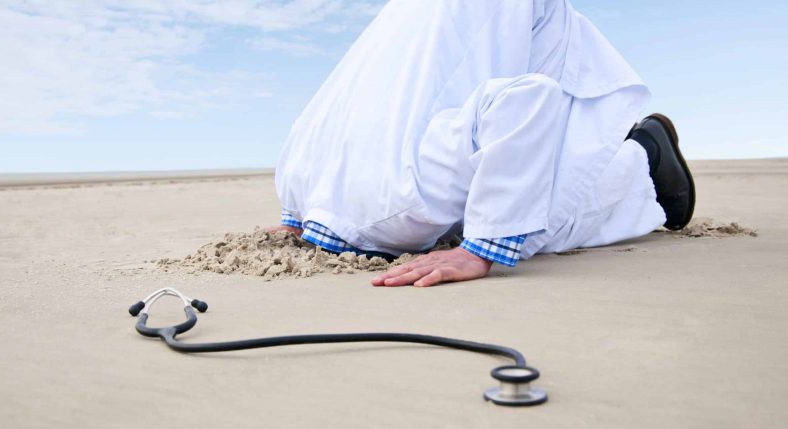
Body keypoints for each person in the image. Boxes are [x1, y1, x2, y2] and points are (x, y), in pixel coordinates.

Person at [269, 0, 695, 287]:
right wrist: (299, 214)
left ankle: (645, 154)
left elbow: (532, 98)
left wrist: (484, 248)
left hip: (376, 189)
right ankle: (643, 147)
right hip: (359, 187)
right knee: (519, 192)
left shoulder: (400, 195)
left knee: (540, 224)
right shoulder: (358, 182)